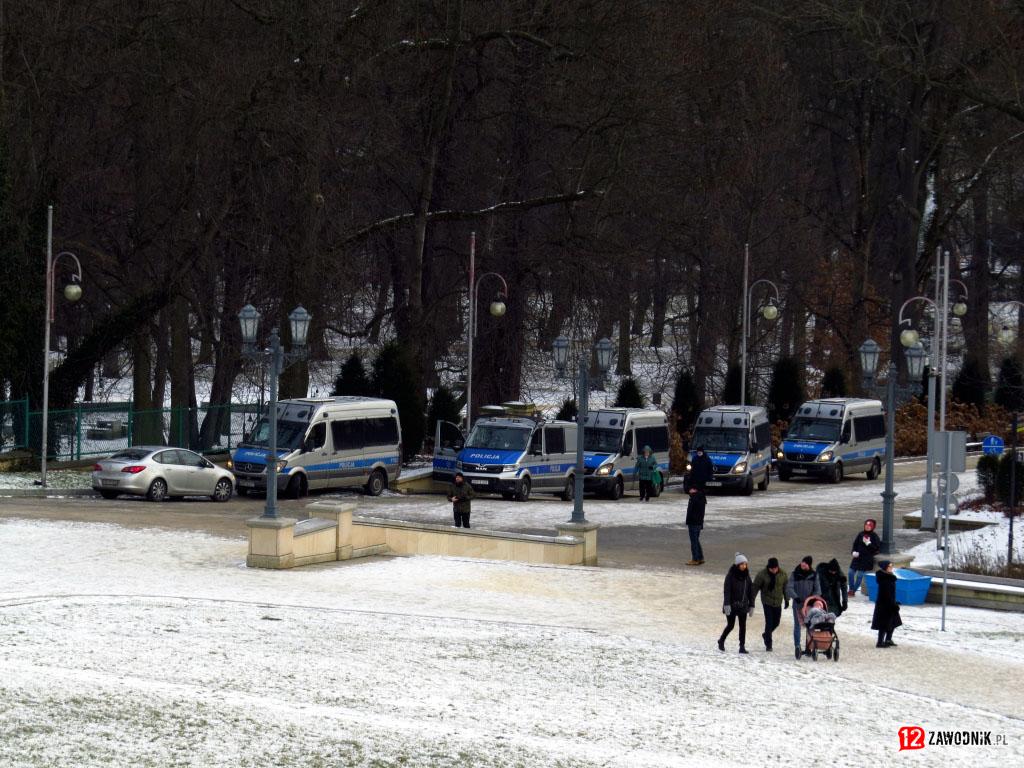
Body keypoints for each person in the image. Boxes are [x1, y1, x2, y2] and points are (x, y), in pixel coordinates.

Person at [785, 555, 821, 659]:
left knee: (810, 626)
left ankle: (808, 647)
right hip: (798, 604)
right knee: (797, 625)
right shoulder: (795, 574)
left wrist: (813, 598)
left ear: (809, 565)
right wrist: (796, 597)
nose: (803, 564)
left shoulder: (814, 575)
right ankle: (797, 646)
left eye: (805, 563)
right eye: (802, 562)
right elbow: (789, 587)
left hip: (809, 605)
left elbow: (818, 590)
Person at [718, 553, 754, 654]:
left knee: (743, 626)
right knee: (731, 625)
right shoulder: (730, 576)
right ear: (737, 565)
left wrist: (752, 605)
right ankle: (721, 640)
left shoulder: (747, 576)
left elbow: (750, 591)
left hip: (743, 605)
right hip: (732, 605)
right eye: (742, 564)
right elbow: (727, 591)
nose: (744, 566)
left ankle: (742, 646)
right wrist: (727, 605)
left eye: (745, 564)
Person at [684, 446, 714, 566]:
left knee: (694, 539)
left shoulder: (696, 497)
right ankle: (700, 557)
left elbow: (692, 511)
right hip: (697, 520)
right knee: (696, 538)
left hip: (694, 521)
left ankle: (696, 558)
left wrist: (690, 521)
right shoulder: (700, 496)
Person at [751, 557, 788, 651]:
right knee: (769, 622)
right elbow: (755, 588)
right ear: (768, 567)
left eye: (776, 568)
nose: (774, 570)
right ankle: (769, 645)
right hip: (767, 601)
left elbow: (785, 587)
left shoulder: (783, 574)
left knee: (776, 622)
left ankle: (766, 635)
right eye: (772, 569)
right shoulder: (761, 575)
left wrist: (787, 599)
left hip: (778, 601)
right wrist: (751, 602)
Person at [872, 560, 902, 648]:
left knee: (893, 622)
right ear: (885, 567)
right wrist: (893, 604)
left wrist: (894, 602)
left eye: (892, 566)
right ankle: (880, 642)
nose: (891, 567)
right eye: (889, 566)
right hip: (884, 605)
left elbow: (890, 593)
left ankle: (888, 639)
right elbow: (886, 594)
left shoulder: (889, 577)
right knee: (884, 623)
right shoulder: (885, 579)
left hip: (889, 603)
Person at [849, 518, 881, 597]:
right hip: (857, 557)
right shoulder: (860, 534)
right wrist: (853, 552)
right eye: (866, 525)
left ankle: (853, 591)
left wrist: (868, 543)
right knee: (850, 572)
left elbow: (876, 548)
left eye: (869, 526)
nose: (867, 527)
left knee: (859, 575)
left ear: (872, 527)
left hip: (866, 559)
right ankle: (851, 589)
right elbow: (855, 544)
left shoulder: (874, 536)